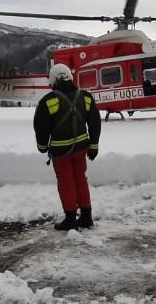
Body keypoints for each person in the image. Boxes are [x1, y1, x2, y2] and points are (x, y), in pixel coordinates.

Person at [34, 63, 101, 231]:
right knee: (80, 179)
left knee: (66, 182)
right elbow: (95, 122)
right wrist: (94, 146)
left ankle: (70, 219)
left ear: (54, 80)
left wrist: (42, 147)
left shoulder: (48, 101)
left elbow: (41, 127)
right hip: (81, 149)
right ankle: (86, 216)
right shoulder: (85, 97)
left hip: (60, 151)